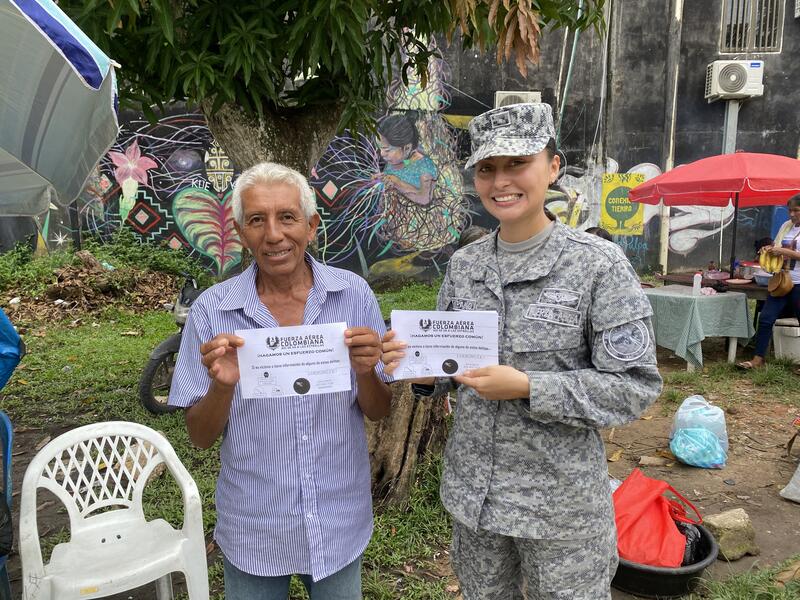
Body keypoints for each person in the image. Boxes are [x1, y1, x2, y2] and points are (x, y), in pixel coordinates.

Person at [381, 103, 662, 599]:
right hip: (476, 500)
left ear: (553, 167)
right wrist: (418, 370)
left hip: (561, 509)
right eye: (487, 168)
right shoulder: (465, 265)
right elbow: (446, 370)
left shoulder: (597, 266)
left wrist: (530, 386)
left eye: (517, 163)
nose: (500, 180)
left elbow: (634, 389)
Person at [168, 162, 392, 599]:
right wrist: (223, 385)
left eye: (287, 217)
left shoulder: (353, 295)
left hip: (337, 518)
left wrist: (366, 372)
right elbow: (198, 436)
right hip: (255, 521)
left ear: (310, 226)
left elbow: (379, 409)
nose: (273, 235)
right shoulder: (213, 311)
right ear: (240, 230)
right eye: (257, 220)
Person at [737, 193, 800, 370]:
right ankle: (758, 359)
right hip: (781, 281)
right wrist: (769, 249)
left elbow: (785, 251)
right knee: (765, 318)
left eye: (796, 210)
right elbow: (776, 246)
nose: (792, 214)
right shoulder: (787, 226)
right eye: (790, 210)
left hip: (799, 283)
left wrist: (782, 251)